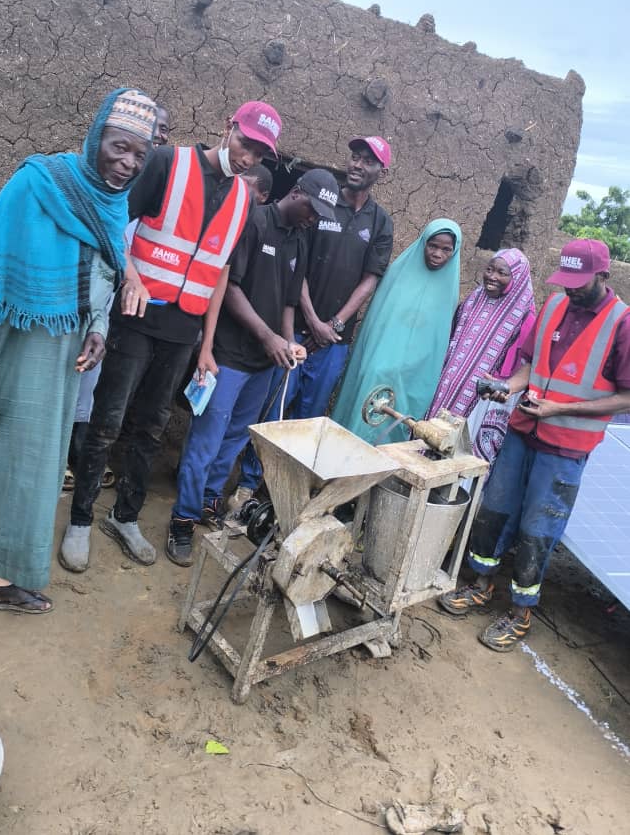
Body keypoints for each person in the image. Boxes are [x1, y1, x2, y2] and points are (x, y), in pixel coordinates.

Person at [0, 88, 158, 614]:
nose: (126, 163)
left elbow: (106, 271)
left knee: (30, 467)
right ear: (96, 135)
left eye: (138, 156)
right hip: (9, 341)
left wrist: (99, 327)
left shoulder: (112, 202)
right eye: (118, 146)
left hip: (61, 356)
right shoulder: (39, 181)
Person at [60, 101, 282, 573]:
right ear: (227, 128)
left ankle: (126, 516)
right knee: (107, 422)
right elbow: (116, 223)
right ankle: (80, 520)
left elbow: (220, 273)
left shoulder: (244, 199)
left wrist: (205, 346)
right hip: (138, 317)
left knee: (153, 426)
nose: (247, 157)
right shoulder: (169, 162)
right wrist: (131, 276)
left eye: (259, 153)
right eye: (244, 143)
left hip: (183, 332)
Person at [439, 239, 630, 651]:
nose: (571, 289)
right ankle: (481, 583)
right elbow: (529, 365)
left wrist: (561, 407)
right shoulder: (554, 307)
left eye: (579, 282)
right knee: (494, 509)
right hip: (524, 429)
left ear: (603, 276)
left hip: (566, 444)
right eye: (566, 281)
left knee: (537, 528)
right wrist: (506, 387)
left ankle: (521, 610)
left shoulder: (621, 323)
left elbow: (627, 395)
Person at [167, 169, 341, 565]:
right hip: (229, 354)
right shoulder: (253, 221)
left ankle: (210, 500)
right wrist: (268, 338)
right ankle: (183, 517)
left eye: (319, 215)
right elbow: (229, 287)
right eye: (311, 209)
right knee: (206, 439)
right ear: (296, 193)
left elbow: (288, 302)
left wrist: (288, 342)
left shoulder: (300, 237)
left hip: (265, 365)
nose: (314, 218)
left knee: (234, 439)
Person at [235, 136, 394, 502]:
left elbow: (370, 278)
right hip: (294, 330)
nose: (357, 164)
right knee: (273, 411)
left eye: (367, 161)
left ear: (380, 173)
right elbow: (296, 262)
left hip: (334, 344)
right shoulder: (323, 203)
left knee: (308, 420)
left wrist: (335, 325)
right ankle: (247, 484)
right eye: (355, 156)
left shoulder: (380, 222)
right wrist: (312, 319)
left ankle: (279, 496)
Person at [63, 102, 174, 491]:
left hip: (109, 298)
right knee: (68, 376)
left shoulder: (148, 182)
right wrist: (131, 279)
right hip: (78, 293)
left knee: (90, 380)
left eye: (162, 132)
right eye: (153, 128)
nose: (158, 136)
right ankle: (61, 456)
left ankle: (72, 457)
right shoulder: (87, 183)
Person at [332, 219, 462, 444]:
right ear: (423, 243)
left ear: (454, 251)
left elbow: (436, 343)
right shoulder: (398, 274)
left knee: (399, 422)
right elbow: (377, 324)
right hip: (380, 361)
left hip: (415, 374)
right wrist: (381, 364)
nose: (437, 253)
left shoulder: (449, 290)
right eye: (432, 245)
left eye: (446, 249)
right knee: (363, 411)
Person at [427, 248, 536, 462]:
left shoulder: (526, 317)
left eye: (502, 273)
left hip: (486, 400)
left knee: (462, 456)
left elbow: (522, 367)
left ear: (518, 278)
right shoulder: (475, 299)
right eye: (489, 269)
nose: (492, 277)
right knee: (432, 437)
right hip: (447, 388)